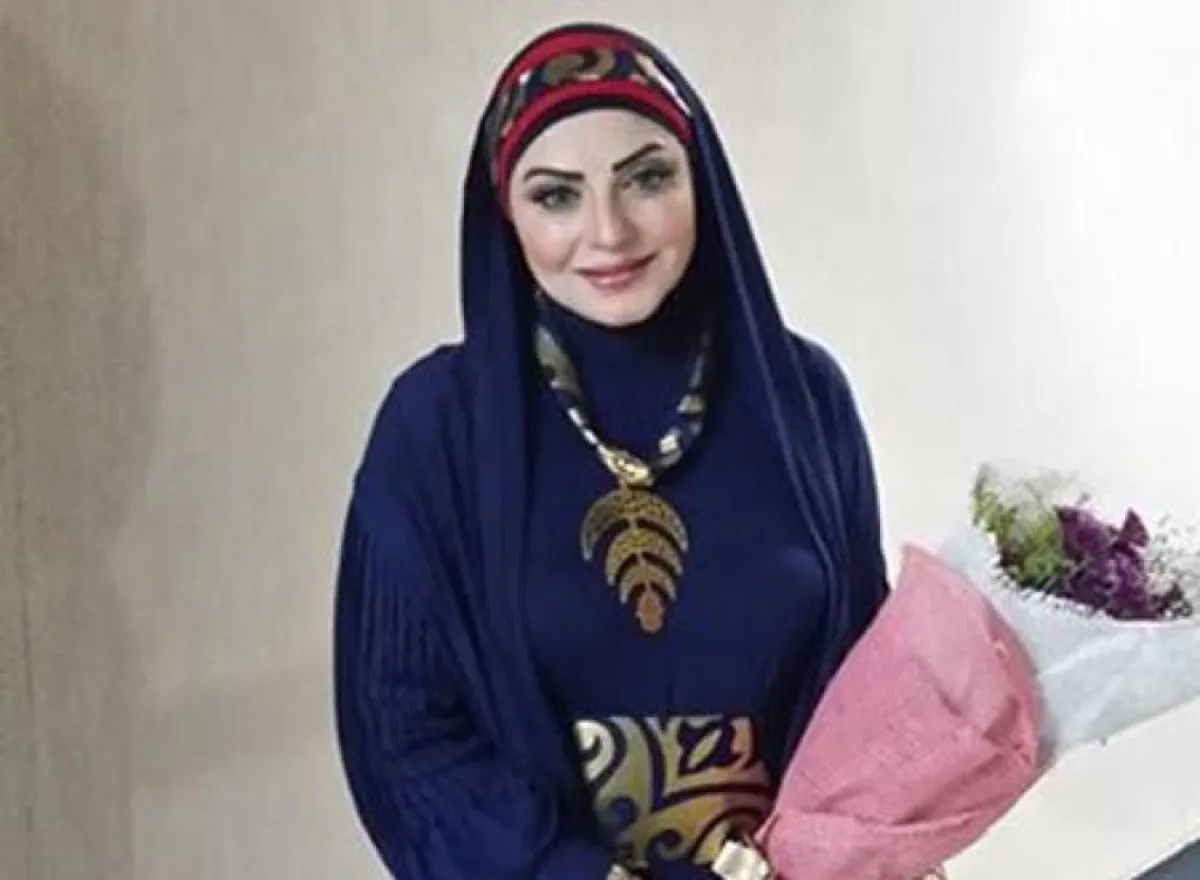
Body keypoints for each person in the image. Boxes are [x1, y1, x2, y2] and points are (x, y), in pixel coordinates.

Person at [334, 21, 895, 880]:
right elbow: (403, 734)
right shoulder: (438, 426)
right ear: (505, 215)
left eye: (647, 179)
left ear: (701, 181)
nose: (608, 232)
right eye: (556, 196)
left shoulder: (803, 397)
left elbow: (866, 680)